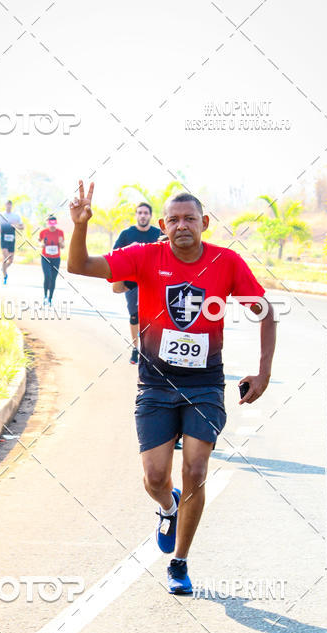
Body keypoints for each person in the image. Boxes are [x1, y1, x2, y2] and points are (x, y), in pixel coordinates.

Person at [68, 181, 276, 594]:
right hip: (155, 384)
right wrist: (80, 226)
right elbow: (79, 266)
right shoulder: (145, 256)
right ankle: (167, 507)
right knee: (155, 477)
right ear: (163, 224)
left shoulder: (227, 262)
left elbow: (265, 311)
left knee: (196, 470)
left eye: (190, 218)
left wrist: (263, 371)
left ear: (205, 223)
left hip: (204, 385)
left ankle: (179, 563)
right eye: (175, 219)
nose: (182, 225)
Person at [112, 203, 162, 364]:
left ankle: (151, 350)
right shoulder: (127, 234)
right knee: (135, 316)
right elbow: (114, 255)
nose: (142, 215)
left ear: (150, 216)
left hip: (153, 281)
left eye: (146, 213)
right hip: (131, 281)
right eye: (140, 212)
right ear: (136, 215)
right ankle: (135, 348)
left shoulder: (158, 233)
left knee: (153, 317)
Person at [0, 200, 24, 284]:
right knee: (5, 256)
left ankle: (4, 269)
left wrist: (16, 226)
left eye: (10, 205)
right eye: (7, 205)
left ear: (12, 206)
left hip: (12, 239)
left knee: (11, 260)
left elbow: (22, 227)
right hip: (3, 238)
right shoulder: (0, 215)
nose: (8, 206)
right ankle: (4, 275)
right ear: (5, 205)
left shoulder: (16, 216)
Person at [38, 215, 65, 304]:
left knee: (53, 278)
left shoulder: (60, 232)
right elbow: (39, 241)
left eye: (54, 224)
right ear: (48, 224)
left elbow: (63, 246)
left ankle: (50, 298)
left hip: (56, 258)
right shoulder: (43, 232)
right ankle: (45, 296)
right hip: (45, 258)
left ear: (56, 223)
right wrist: (41, 244)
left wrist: (61, 243)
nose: (52, 226)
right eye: (50, 224)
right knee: (47, 276)